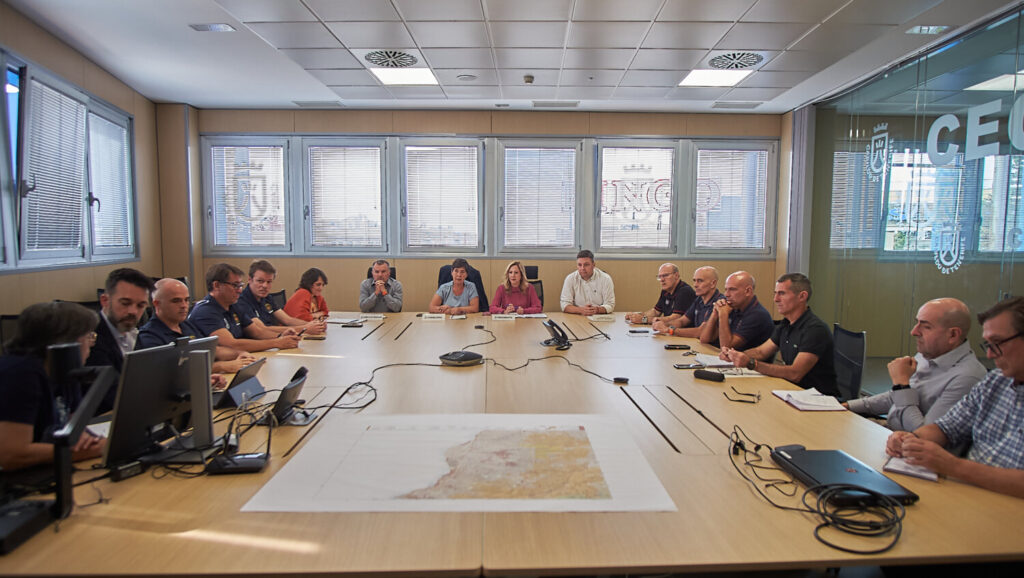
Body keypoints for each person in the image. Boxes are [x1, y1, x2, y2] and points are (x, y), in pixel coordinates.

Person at [885, 296, 1024, 499]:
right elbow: (945, 427)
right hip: (971, 494)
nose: (991, 355)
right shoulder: (995, 382)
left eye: (997, 343)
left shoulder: (969, 375)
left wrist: (953, 466)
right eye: (988, 345)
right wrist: (913, 440)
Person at [845, 298, 987, 431]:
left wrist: (901, 384)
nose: (914, 332)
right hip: (890, 429)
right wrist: (848, 406)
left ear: (953, 335)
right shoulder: (928, 355)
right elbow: (895, 397)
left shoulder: (967, 378)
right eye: (917, 323)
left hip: (911, 445)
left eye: (926, 327)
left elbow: (924, 434)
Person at [0, 302, 106, 471]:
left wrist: (88, 440)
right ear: (65, 342)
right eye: (88, 337)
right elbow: (11, 453)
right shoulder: (19, 373)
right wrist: (88, 451)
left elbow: (76, 429)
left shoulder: (65, 370)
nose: (91, 344)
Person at [720, 273, 838, 396]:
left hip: (817, 398)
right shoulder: (786, 324)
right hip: (792, 392)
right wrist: (734, 355)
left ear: (802, 296)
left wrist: (751, 363)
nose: (776, 299)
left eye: (782, 293)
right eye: (775, 293)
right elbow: (761, 352)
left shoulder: (815, 329)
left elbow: (795, 374)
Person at [138, 278, 257, 374]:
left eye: (186, 300)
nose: (184, 305)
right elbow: (172, 372)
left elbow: (212, 350)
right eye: (176, 301)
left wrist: (238, 354)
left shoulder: (185, 325)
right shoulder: (149, 336)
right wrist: (221, 366)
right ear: (157, 304)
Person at [188, 263, 301, 353]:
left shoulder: (233, 305)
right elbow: (231, 344)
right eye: (235, 285)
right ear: (216, 285)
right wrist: (277, 343)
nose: (239, 290)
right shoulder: (205, 311)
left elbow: (257, 332)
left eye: (240, 285)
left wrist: (281, 336)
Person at [85, 267, 154, 411]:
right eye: (125, 303)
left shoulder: (133, 333)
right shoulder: (90, 338)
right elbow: (111, 395)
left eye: (140, 305)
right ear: (104, 301)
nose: (133, 312)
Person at [236, 260, 326, 334]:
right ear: (249, 280)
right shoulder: (242, 301)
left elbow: (287, 320)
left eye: (269, 282)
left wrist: (315, 325)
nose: (264, 286)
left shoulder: (267, 297)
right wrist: (305, 328)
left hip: (276, 338)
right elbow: (262, 329)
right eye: (260, 281)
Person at [699, 270, 773, 349]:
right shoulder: (734, 306)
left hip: (749, 360)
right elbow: (704, 339)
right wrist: (715, 313)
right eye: (726, 289)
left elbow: (726, 348)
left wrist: (723, 315)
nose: (726, 294)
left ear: (748, 291)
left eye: (732, 289)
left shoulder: (757, 314)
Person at [653, 266, 724, 338]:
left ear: (713, 283)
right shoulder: (699, 299)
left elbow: (701, 331)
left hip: (714, 348)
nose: (695, 285)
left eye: (700, 281)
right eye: (694, 281)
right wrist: (664, 324)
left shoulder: (719, 302)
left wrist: (669, 330)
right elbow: (682, 321)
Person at [626, 263, 695, 326]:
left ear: (676, 275)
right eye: (659, 276)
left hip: (685, 334)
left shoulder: (685, 291)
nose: (662, 279)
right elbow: (656, 311)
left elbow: (676, 318)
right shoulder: (665, 290)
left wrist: (644, 319)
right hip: (669, 330)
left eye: (665, 275)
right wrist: (636, 315)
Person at [560, 249, 615, 315]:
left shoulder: (606, 279)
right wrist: (581, 310)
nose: (582, 268)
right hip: (578, 316)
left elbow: (610, 305)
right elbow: (564, 305)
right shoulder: (570, 278)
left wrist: (597, 310)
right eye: (579, 265)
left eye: (586, 265)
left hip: (598, 316)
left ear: (593, 265)